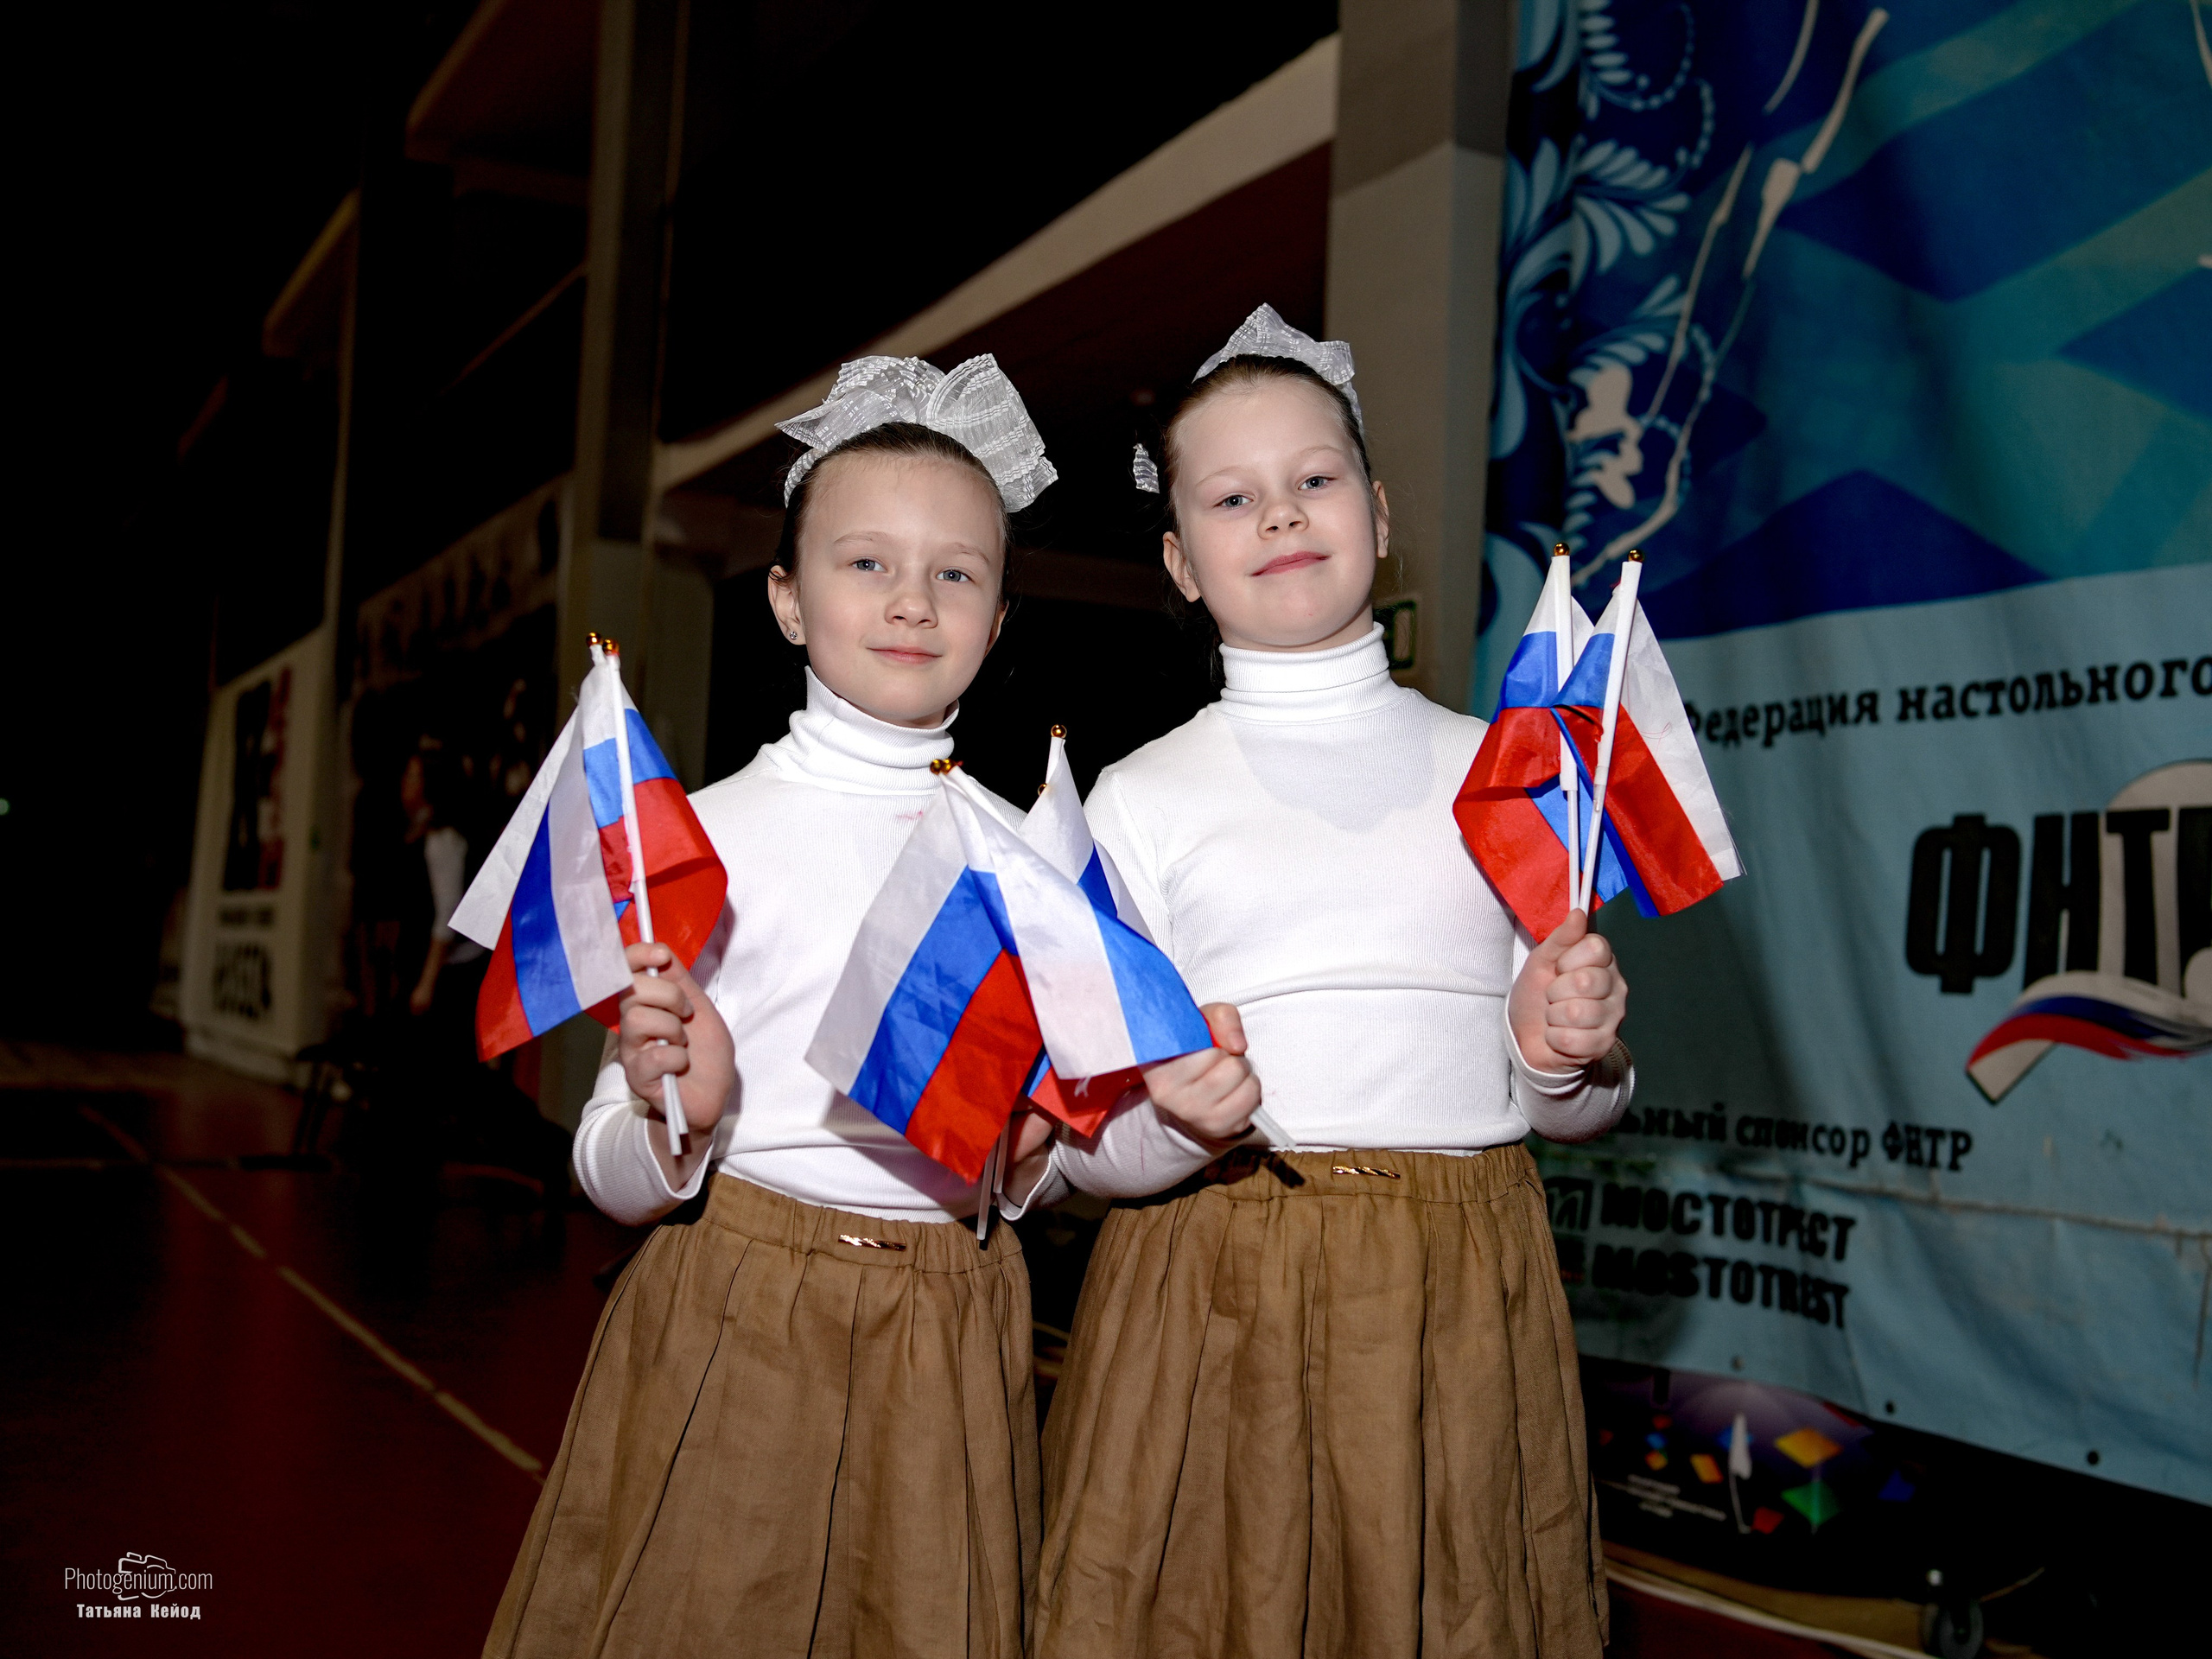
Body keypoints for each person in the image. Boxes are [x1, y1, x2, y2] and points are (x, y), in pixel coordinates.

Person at [1027, 308, 1633, 1659]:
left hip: (1461, 1294)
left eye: (1315, 479)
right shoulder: (1137, 801)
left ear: (1378, 505)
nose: (1282, 515)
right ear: (1182, 562)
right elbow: (1079, 1153)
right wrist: (1173, 1118)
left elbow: (1575, 1110)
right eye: (1233, 497)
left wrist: (1566, 1055)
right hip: (1212, 1287)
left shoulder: (1512, 770)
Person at [483, 356, 1062, 1659]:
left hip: (952, 1327)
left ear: (1001, 614)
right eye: (866, 564)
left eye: (957, 572)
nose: (913, 600)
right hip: (732, 1310)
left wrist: (1030, 1163)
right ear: (788, 601)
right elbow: (607, 1171)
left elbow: (1039, 1150)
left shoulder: (1029, 861)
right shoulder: (704, 841)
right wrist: (678, 1115)